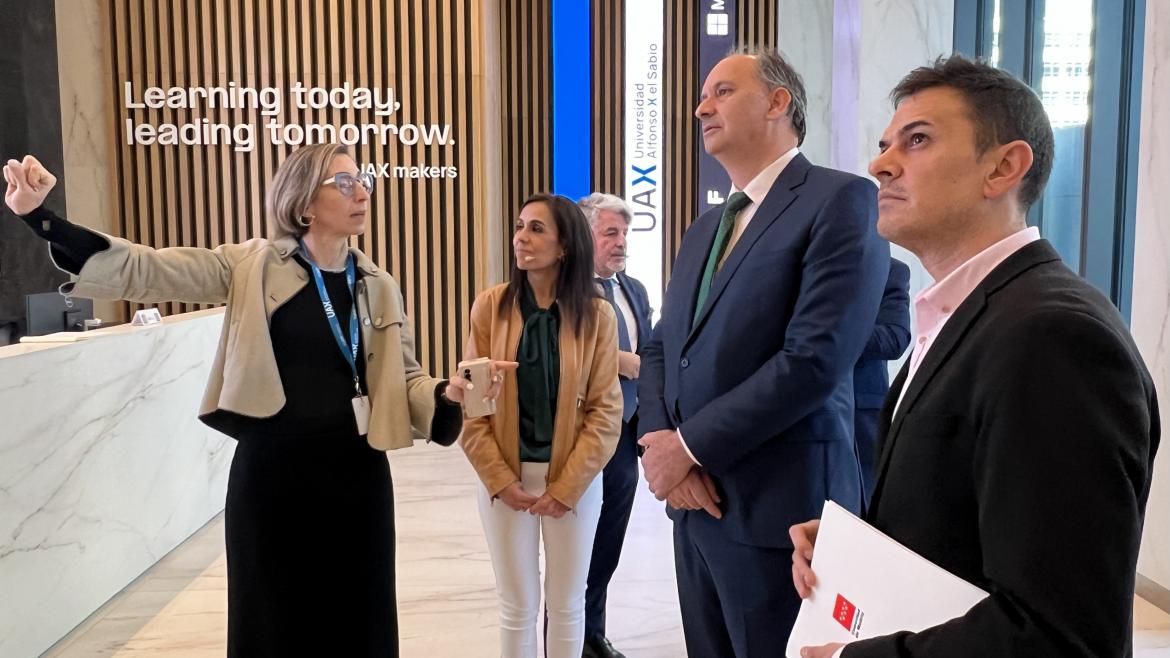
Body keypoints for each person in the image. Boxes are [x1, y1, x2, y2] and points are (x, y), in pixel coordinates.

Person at [2, 145, 512, 658]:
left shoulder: (379, 285)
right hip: (273, 481)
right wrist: (43, 219)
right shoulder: (251, 266)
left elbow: (404, 378)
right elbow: (146, 268)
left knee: (360, 624)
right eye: (344, 183)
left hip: (357, 480)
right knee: (272, 626)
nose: (362, 192)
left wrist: (448, 393)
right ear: (304, 202)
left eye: (363, 181)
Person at [791, 56, 1160, 658]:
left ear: (1003, 168)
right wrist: (853, 549)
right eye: (884, 146)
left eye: (917, 140)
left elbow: (1060, 634)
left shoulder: (1053, 336)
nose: (880, 164)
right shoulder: (971, 313)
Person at [636, 47, 888, 656]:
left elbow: (814, 360)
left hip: (783, 517)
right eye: (703, 96)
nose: (702, 108)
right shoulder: (705, 228)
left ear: (778, 102)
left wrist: (688, 447)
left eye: (722, 92)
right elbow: (663, 345)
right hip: (694, 508)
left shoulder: (841, 200)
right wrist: (661, 443)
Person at [459, 193, 623, 658]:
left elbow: (605, 412)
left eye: (535, 229)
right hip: (505, 479)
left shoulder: (597, 315)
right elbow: (472, 406)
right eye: (519, 226)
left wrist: (566, 488)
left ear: (565, 245)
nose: (521, 238)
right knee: (516, 606)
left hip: (575, 481)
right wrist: (499, 479)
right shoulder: (490, 307)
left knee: (567, 605)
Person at [577, 192, 653, 658]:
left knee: (608, 542)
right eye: (610, 233)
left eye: (624, 233)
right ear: (585, 238)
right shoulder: (566, 290)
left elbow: (651, 352)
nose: (621, 242)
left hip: (627, 433)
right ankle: (568, 640)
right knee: (575, 549)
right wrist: (622, 361)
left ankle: (593, 635)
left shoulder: (634, 289)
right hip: (582, 433)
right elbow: (567, 353)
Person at [853, 258, 911, 504]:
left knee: (863, 507)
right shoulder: (800, 263)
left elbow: (895, 338)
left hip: (860, 417)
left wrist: (832, 330)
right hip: (799, 409)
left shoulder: (890, 269)